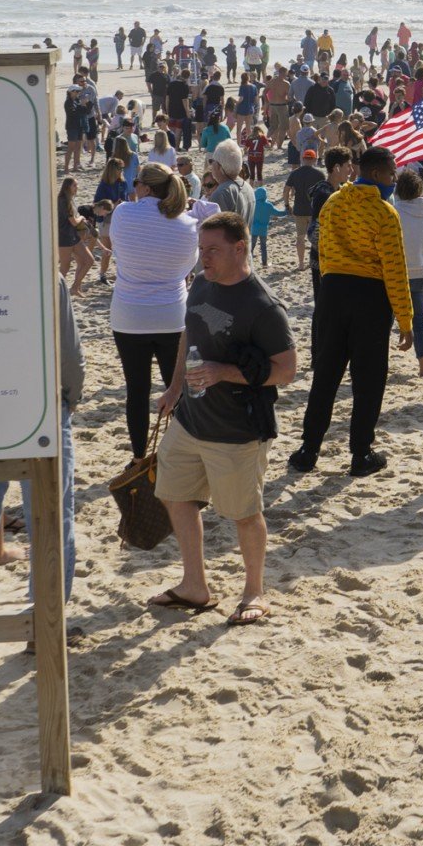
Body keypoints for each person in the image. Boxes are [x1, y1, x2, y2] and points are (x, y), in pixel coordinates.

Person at [150, 211, 297, 625]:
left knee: (244, 514)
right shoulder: (200, 286)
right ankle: (194, 585)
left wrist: (224, 372)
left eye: (212, 250)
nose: (204, 259)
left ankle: (254, 592)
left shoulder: (263, 307)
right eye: (201, 250)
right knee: (175, 496)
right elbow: (189, 335)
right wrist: (175, 388)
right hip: (190, 421)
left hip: (237, 432)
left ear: (240, 248)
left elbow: (286, 371)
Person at [292, 145, 413, 477]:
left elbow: (325, 253)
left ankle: (308, 450)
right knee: (369, 380)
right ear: (375, 174)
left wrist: (331, 292)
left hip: (332, 293)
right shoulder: (384, 213)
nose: (393, 179)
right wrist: (406, 318)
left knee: (326, 376)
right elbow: (395, 269)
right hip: (370, 298)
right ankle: (361, 453)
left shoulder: (333, 203)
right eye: (391, 173)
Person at [110, 163, 201, 461]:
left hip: (130, 314)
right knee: (175, 388)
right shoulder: (187, 225)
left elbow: (118, 256)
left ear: (146, 187)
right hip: (171, 314)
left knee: (137, 390)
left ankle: (138, 457)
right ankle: (180, 455)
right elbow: (187, 270)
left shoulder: (123, 213)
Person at [391, 170, 423, 380]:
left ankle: (379, 364)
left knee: (385, 320)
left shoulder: (393, 211)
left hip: (397, 272)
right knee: (419, 320)